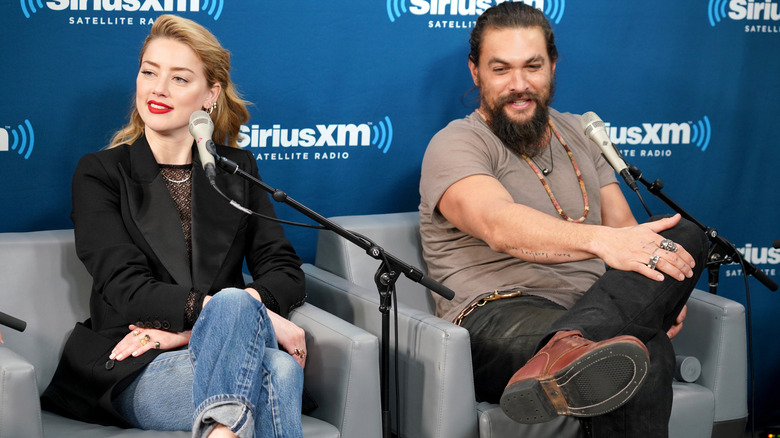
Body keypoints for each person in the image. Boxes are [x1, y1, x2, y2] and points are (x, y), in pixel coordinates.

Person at [418, 3, 707, 437]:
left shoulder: (579, 133)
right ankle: (567, 353)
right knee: (646, 354)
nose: (519, 85)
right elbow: (499, 224)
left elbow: (628, 233)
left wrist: (661, 287)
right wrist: (602, 242)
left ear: (553, 65)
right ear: (475, 72)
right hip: (498, 316)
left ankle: (575, 349)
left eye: (532, 66)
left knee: (685, 234)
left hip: (593, 306)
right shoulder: (455, 143)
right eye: (501, 70)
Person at [41, 15, 308, 438]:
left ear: (210, 95)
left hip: (205, 347)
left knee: (263, 347)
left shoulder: (237, 171)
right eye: (149, 72)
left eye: (180, 79)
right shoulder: (101, 172)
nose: (158, 89)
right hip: (135, 361)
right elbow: (125, 287)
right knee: (276, 369)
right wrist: (251, 315)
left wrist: (195, 329)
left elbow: (284, 270)